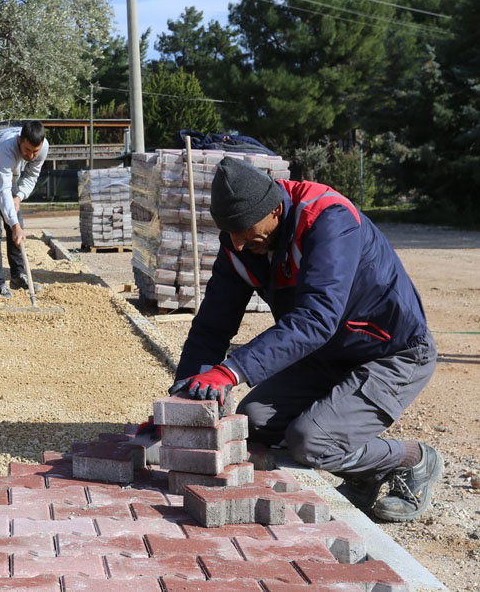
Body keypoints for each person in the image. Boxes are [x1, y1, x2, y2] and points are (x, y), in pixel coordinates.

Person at [169, 156, 441, 522]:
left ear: (276, 210)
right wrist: (184, 398)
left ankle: (414, 459)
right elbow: (212, 326)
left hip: (392, 351)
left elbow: (316, 318)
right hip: (328, 353)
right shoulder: (243, 242)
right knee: (254, 421)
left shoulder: (329, 219)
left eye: (245, 230)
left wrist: (231, 371)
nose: (237, 243)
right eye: (229, 232)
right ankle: (364, 474)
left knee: (310, 441)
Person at [0, 120, 49, 297]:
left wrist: (19, 197)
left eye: (35, 151)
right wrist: (14, 226)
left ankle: (18, 276)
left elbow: (31, 175)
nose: (31, 155)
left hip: (7, 178)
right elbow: (2, 191)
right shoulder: (4, 148)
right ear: (20, 140)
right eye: (27, 150)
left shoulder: (42, 148)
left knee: (17, 223)